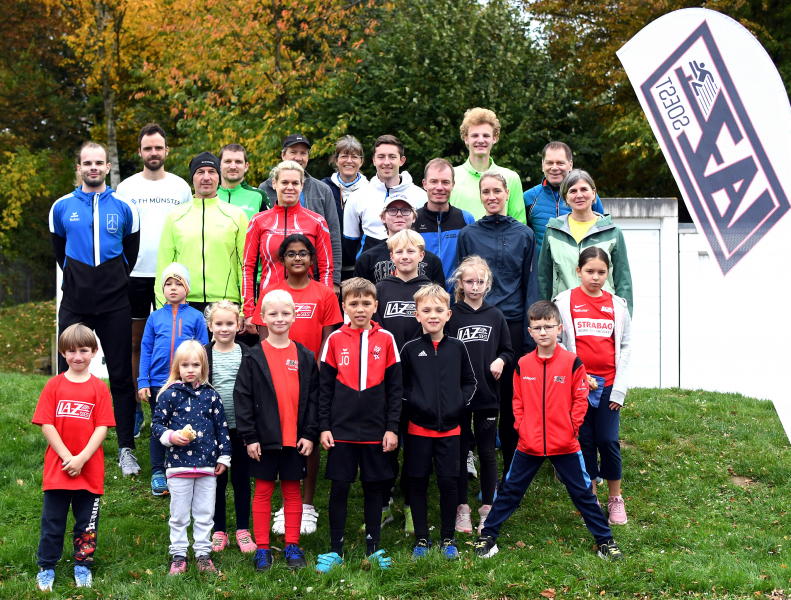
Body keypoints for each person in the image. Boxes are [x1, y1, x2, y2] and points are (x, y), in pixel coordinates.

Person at [473, 301, 624, 562]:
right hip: (529, 444)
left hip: (565, 444)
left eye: (548, 326)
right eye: (537, 327)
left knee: (583, 494)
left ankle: (605, 541)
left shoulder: (572, 362)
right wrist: (522, 428)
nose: (543, 332)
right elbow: (517, 402)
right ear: (529, 332)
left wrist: (571, 429)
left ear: (559, 329)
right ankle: (488, 536)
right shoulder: (522, 364)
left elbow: (580, 399)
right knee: (510, 491)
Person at [49, 141, 141, 477]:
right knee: (67, 373)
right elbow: (60, 251)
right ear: (79, 168)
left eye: (98, 163)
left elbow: (130, 252)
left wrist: (112, 279)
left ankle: (126, 448)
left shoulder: (125, 206)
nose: (93, 168)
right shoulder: (61, 207)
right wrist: (80, 279)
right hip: (75, 304)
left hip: (115, 303)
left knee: (121, 376)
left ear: (107, 167)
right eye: (87, 163)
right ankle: (66, 445)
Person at [251, 234, 343, 537]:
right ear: (282, 260)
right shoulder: (271, 292)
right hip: (278, 378)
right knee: (280, 436)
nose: (298, 258)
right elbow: (263, 339)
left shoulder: (324, 294)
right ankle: (284, 503)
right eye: (291, 254)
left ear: (313, 259)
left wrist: (318, 374)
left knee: (308, 435)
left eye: (303, 253)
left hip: (311, 376)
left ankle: (307, 503)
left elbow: (329, 338)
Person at [455, 170, 538, 483]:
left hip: (512, 324)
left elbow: (530, 284)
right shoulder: (468, 234)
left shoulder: (524, 234)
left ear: (507, 194)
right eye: (485, 191)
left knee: (509, 400)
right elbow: (460, 282)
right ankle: (468, 460)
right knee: (470, 392)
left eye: (496, 191)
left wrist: (529, 334)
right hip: (474, 325)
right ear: (480, 196)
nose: (491, 197)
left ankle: (510, 474)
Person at [315, 278, 402, 573]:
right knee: (339, 487)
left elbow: (395, 389)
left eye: (366, 303)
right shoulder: (334, 340)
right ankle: (335, 549)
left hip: (377, 431)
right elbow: (325, 389)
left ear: (375, 306)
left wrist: (392, 428)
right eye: (353, 303)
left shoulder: (387, 339)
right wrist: (324, 427)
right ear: (344, 307)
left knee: (374, 488)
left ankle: (373, 548)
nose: (360, 309)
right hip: (341, 431)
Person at [233, 289, 320, 571]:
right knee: (263, 491)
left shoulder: (305, 356)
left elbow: (314, 399)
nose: (279, 318)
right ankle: (262, 548)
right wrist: (250, 437)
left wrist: (309, 434)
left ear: (294, 317)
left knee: (292, 492)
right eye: (273, 313)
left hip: (295, 440)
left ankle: (292, 545)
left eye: (285, 313)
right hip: (264, 440)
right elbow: (242, 398)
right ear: (262, 318)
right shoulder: (253, 356)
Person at [116, 123, 192, 440]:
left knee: (172, 343)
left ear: (166, 151)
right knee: (136, 343)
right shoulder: (126, 188)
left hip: (170, 276)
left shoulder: (180, 187)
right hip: (134, 274)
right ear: (140, 152)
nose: (153, 152)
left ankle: (174, 405)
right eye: (148, 148)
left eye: (158, 147)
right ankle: (136, 408)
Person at [32, 324, 116, 592]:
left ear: (94, 351)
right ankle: (46, 567)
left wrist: (81, 459)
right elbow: (46, 424)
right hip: (58, 469)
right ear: (62, 353)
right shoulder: (53, 385)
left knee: (86, 525)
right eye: (71, 351)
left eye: (83, 350)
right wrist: (68, 457)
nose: (77, 356)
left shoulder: (99, 388)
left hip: (89, 470)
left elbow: (102, 428)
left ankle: (83, 565)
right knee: (52, 523)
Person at [554, 247, 632, 525]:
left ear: (608, 273)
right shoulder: (564, 302)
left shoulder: (618, 306)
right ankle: (591, 498)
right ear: (578, 272)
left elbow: (626, 346)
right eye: (589, 271)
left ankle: (615, 498)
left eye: (601, 272)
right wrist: (577, 374)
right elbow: (558, 343)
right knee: (585, 441)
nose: (595, 277)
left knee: (608, 440)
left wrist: (619, 390)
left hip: (609, 385)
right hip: (578, 386)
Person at [401, 284, 477, 559]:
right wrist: (416, 403)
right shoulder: (410, 349)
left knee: (448, 483)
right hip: (418, 431)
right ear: (417, 315)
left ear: (448, 314)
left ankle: (448, 538)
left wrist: (457, 403)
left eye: (438, 310)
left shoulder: (458, 347)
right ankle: (422, 539)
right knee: (417, 483)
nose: (433, 315)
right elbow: (401, 386)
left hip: (451, 432)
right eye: (426, 310)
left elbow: (470, 382)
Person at [151, 340, 231, 575]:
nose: (190, 369)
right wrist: (171, 436)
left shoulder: (212, 396)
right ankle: (179, 554)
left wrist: (224, 457)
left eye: (196, 365)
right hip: (178, 468)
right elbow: (156, 425)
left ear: (203, 367)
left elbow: (222, 428)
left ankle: (203, 554)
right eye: (185, 365)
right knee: (179, 515)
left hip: (207, 468)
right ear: (177, 366)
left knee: (205, 513)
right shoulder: (169, 395)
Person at [371, 229, 432, 532]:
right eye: (399, 252)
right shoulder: (381, 289)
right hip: (387, 379)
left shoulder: (430, 289)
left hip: (421, 378)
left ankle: (411, 503)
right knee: (387, 443)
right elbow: (373, 331)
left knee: (417, 446)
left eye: (411, 251)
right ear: (391, 257)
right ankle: (384, 503)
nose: (405, 256)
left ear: (421, 255)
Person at [447, 256, 513, 535]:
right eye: (469, 281)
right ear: (460, 284)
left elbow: (508, 351)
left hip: (487, 395)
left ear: (488, 284)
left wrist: (500, 360)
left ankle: (488, 508)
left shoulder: (495, 315)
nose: (475, 286)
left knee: (487, 452)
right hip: (459, 397)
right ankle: (462, 508)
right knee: (461, 452)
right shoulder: (451, 315)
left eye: (480, 281)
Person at [137, 263, 209, 496]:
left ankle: (181, 466)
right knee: (159, 426)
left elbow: (203, 350)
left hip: (187, 382)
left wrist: (201, 379)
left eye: (178, 283)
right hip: (158, 382)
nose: (173, 288)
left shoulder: (196, 317)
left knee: (185, 424)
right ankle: (158, 471)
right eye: (168, 284)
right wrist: (143, 381)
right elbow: (146, 349)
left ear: (187, 288)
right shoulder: (154, 317)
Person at [242, 161, 334, 337]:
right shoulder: (258, 221)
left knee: (307, 353)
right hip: (269, 304)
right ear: (274, 183)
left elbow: (326, 268)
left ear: (302, 185)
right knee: (270, 353)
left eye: (295, 183)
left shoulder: (317, 221)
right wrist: (248, 311)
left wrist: (325, 305)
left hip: (307, 305)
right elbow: (248, 268)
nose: (289, 187)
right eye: (284, 182)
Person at [156, 151, 249, 321]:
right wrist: (163, 308)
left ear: (219, 177)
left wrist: (245, 309)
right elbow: (164, 266)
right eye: (200, 172)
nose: (206, 177)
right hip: (183, 302)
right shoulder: (175, 216)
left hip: (226, 304)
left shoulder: (237, 216)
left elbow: (245, 266)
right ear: (192, 178)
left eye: (212, 172)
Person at [537, 169, 633, 316]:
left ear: (593, 193)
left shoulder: (613, 232)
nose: (579, 195)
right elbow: (544, 278)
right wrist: (544, 316)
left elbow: (623, 279)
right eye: (573, 191)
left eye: (584, 189)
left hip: (603, 313)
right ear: (565, 197)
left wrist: (625, 316)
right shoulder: (553, 231)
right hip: (564, 313)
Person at [259, 134, 341, 293]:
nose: (298, 157)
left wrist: (334, 280)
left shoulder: (323, 190)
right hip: (273, 279)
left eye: (303, 153)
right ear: (283, 155)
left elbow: (333, 236)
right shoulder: (265, 189)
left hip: (312, 277)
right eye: (293, 152)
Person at [204, 301, 255, 555]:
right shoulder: (203, 355)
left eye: (230, 323)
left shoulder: (248, 354)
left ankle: (243, 530)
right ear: (210, 326)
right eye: (219, 324)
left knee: (241, 480)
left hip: (241, 429)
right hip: (213, 431)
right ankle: (219, 530)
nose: (224, 328)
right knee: (217, 481)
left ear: (239, 325)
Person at [343, 135, 427, 259]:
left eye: (392, 157)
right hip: (369, 269)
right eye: (381, 157)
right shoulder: (356, 197)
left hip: (409, 266)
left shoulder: (421, 196)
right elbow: (350, 242)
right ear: (374, 160)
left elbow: (424, 238)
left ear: (402, 160)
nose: (386, 162)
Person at [523, 141, 604, 254]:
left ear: (570, 165)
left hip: (580, 264)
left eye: (560, 163)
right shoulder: (529, 198)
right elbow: (522, 238)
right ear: (543, 165)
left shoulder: (585, 197)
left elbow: (603, 233)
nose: (554, 167)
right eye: (549, 163)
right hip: (542, 265)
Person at [449, 108, 525, 223]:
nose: (480, 140)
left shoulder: (511, 178)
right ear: (466, 138)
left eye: (486, 135)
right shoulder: (451, 176)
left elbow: (519, 225)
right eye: (475, 135)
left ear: (494, 138)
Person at [353, 193, 445, 286]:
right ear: (383, 218)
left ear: (414, 217)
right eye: (392, 210)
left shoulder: (432, 260)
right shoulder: (367, 259)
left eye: (405, 210)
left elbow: (440, 294)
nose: (399, 214)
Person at [415, 158, 475, 289]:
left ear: (453, 184)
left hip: (457, 298)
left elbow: (473, 261)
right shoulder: (413, 220)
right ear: (424, 184)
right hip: (421, 297)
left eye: (445, 182)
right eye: (433, 181)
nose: (439, 187)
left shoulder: (466, 219)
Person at [321, 136, 369, 282]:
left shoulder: (371, 190)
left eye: (354, 156)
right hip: (328, 269)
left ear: (361, 161)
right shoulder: (323, 188)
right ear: (336, 160)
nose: (349, 161)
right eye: (344, 156)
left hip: (362, 268)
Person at [218, 143, 271, 221]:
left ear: (246, 167)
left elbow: (270, 227)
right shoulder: (209, 194)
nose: (233, 166)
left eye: (238, 162)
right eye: (228, 161)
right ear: (220, 165)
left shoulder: (258, 196)